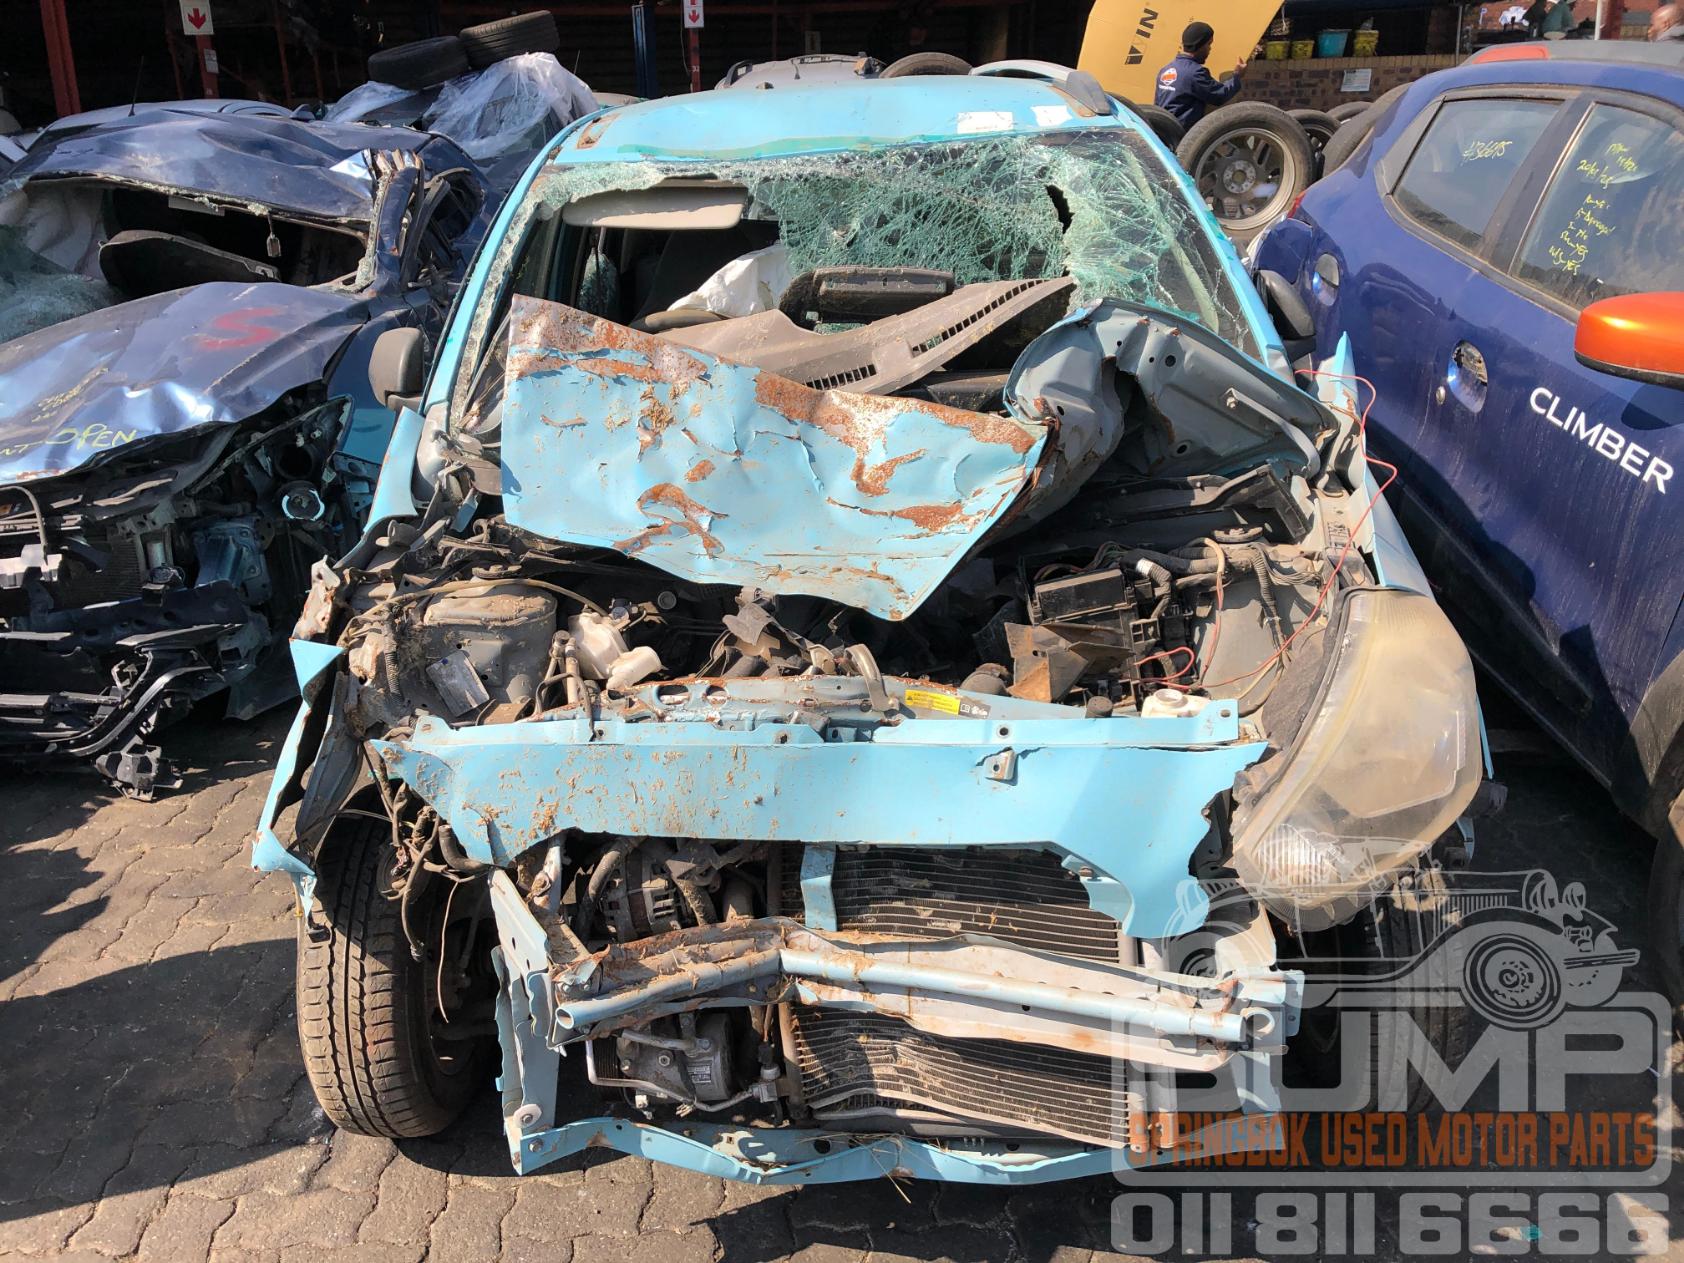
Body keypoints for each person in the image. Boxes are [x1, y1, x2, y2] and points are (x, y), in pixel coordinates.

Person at [1153, 21, 1247, 128]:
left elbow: (1157, 104)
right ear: (1200, 45)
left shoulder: (1166, 69)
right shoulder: (1195, 73)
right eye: (1209, 44)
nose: (1210, 49)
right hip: (1181, 134)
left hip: (1162, 130)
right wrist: (1237, 76)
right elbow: (1219, 95)